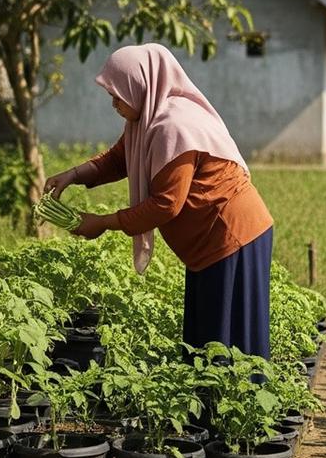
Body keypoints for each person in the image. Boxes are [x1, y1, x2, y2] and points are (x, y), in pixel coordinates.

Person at [43, 43, 275, 360]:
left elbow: (167, 204)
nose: (113, 103)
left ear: (141, 86)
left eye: (118, 93)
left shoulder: (173, 127)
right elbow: (117, 160)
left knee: (230, 339)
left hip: (231, 234)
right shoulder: (147, 119)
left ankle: (238, 406)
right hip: (208, 240)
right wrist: (72, 174)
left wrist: (103, 222)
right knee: (205, 336)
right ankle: (211, 406)